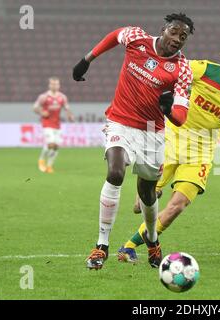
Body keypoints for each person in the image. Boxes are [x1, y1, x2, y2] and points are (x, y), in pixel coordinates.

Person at [117, 41, 220, 264]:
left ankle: (129, 246)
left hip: (200, 154)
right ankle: (148, 204)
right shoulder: (204, 69)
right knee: (139, 205)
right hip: (169, 142)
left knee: (177, 206)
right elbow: (171, 72)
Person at [72, 13, 195, 270]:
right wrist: (87, 60)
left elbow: (181, 117)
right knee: (115, 173)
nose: (177, 39)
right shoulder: (137, 38)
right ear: (163, 30)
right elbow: (114, 36)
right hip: (120, 121)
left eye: (183, 37)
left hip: (152, 132)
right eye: (174, 32)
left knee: (147, 192)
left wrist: (168, 109)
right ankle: (101, 246)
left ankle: (152, 240)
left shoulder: (182, 69)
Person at [33, 77, 74, 173]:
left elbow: (67, 108)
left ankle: (49, 166)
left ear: (59, 85)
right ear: (49, 85)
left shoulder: (62, 97)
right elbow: (35, 107)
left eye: (56, 84)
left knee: (56, 146)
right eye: (53, 84)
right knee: (51, 143)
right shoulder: (44, 97)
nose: (55, 86)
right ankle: (41, 160)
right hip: (47, 124)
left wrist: (70, 116)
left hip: (57, 124)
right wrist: (42, 112)